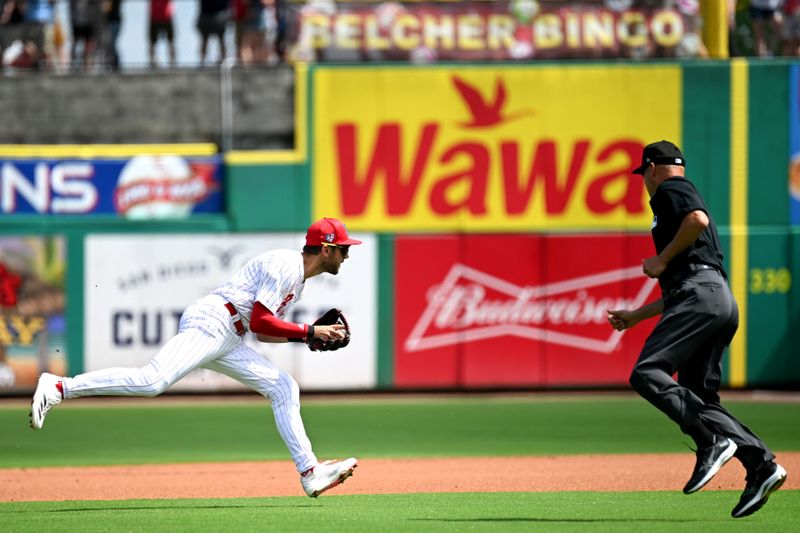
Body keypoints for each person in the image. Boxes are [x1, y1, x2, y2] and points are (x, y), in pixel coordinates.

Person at [30, 217, 362, 498]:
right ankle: (59, 387)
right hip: (214, 320)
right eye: (344, 249)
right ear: (327, 249)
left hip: (231, 336)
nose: (347, 255)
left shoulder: (299, 282)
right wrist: (308, 331)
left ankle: (309, 472)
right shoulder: (287, 265)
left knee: (283, 387)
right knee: (152, 381)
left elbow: (262, 332)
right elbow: (261, 320)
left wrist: (305, 337)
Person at [607, 141, 787, 519]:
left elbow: (698, 221)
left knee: (646, 373)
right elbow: (686, 280)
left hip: (699, 293)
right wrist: (638, 315)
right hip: (715, 297)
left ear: (653, 168)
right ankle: (762, 466)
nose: (645, 182)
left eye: (644, 175)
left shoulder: (671, 189)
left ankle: (711, 441)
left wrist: (662, 258)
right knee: (698, 397)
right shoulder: (676, 197)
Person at [197, 0, 231, 66]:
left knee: (221, 40)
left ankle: (223, 60)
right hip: (206, 16)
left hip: (219, 16)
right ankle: (202, 61)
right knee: (205, 41)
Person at [148, 0, 175, 68]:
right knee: (152, 42)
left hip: (166, 16)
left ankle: (172, 62)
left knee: (170, 41)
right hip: (154, 17)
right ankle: (153, 61)